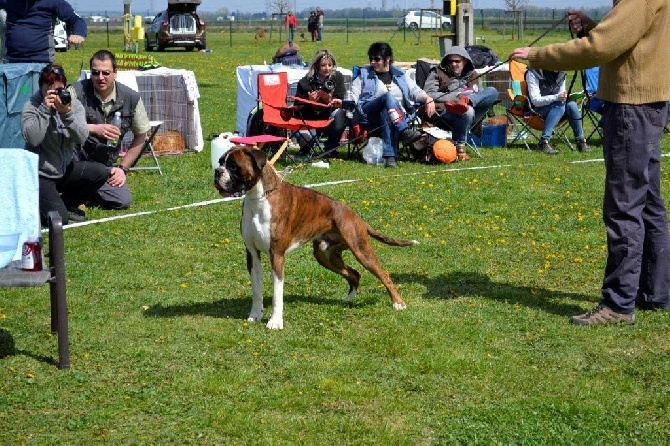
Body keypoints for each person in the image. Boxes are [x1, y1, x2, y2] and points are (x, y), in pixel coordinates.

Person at [510, 2, 670, 325]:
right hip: (648, 102)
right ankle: (655, 292)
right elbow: (628, 38)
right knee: (649, 202)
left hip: (631, 105)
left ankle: (619, 304)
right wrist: (594, 25)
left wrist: (537, 55)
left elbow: (602, 47)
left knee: (624, 206)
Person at [21, 64, 109, 225]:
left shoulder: (73, 105)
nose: (56, 95)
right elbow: (33, 139)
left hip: (65, 168)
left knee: (101, 172)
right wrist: (44, 110)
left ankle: (68, 203)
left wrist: (66, 114)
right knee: (60, 220)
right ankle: (36, 204)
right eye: (51, 90)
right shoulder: (31, 106)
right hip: (40, 174)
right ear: (42, 87)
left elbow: (82, 137)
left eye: (59, 90)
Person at [69, 50, 152, 210]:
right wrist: (93, 128)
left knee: (122, 200)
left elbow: (141, 135)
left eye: (106, 73)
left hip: (103, 164)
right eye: (95, 73)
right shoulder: (76, 92)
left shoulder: (131, 98)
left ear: (115, 73)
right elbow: (59, 124)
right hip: (76, 159)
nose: (100, 78)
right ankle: (76, 190)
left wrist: (122, 168)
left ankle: (85, 190)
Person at [349, 42, 436, 168]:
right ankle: (403, 131)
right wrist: (350, 105)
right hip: (370, 114)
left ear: (388, 58)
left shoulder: (400, 75)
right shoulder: (364, 75)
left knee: (386, 111)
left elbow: (415, 91)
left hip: (394, 116)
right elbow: (353, 93)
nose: (373, 62)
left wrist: (428, 98)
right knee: (388, 96)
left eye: (377, 59)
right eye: (371, 59)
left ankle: (390, 157)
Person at [423, 46, 499, 161]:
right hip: (445, 113)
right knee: (467, 110)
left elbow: (480, 94)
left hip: (471, 112)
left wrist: (468, 99)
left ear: (465, 61)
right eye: (451, 61)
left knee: (492, 91)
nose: (454, 64)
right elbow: (429, 93)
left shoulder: (473, 74)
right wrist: (456, 96)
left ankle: (467, 101)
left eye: (457, 61)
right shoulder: (437, 72)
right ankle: (459, 148)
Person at [294, 49, 347, 157]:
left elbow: (340, 98)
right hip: (310, 117)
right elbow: (298, 105)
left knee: (341, 113)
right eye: (323, 65)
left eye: (329, 65)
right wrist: (310, 101)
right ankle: (307, 147)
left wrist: (329, 99)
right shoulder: (306, 82)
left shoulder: (337, 78)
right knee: (306, 139)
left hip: (329, 116)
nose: (327, 68)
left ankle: (331, 148)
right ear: (317, 66)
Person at [525, 68, 589, 154]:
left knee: (571, 105)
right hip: (536, 111)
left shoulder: (561, 73)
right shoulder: (534, 73)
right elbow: (535, 101)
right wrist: (556, 97)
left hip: (556, 109)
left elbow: (560, 95)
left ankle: (581, 142)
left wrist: (565, 97)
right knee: (560, 105)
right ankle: (543, 142)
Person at [0, 0, 86, 63]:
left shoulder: (54, 2)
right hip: (12, 61)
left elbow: (76, 19)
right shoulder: (9, 1)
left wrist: (79, 34)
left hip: (41, 61)